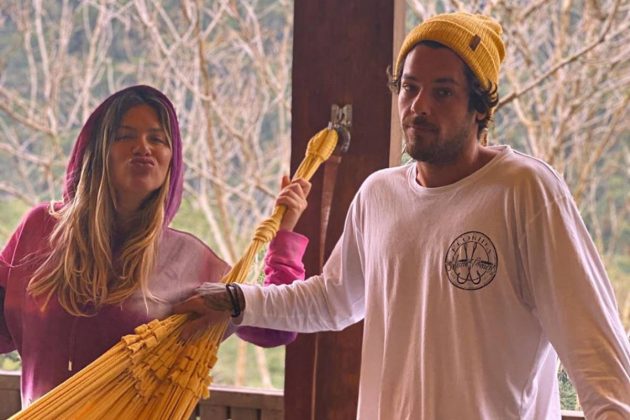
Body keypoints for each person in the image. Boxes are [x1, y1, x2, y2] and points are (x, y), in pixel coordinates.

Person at [174, 12, 630, 420]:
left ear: (479, 107)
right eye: (409, 87)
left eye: (443, 91)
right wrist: (235, 298)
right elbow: (331, 299)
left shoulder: (525, 191)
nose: (419, 106)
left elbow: (599, 357)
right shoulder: (379, 194)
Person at [0, 85, 311, 407]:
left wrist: (284, 237)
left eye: (158, 139)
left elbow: (276, 329)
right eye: (125, 136)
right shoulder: (41, 230)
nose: (143, 148)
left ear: (171, 160)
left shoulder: (189, 262)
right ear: (97, 152)